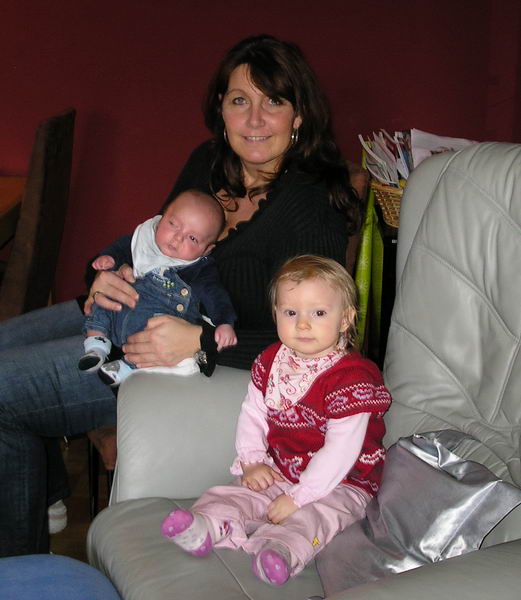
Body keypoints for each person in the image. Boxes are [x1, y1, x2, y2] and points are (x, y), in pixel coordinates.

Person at [0, 34, 364, 557]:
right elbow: (155, 241)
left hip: (188, 361)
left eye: (273, 101)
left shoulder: (311, 208)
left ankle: (19, 573)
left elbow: (317, 344)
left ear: (299, 115)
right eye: (239, 100)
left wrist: (200, 341)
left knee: (4, 389)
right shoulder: (208, 162)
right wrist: (105, 274)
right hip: (132, 310)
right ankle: (42, 491)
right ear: (221, 109)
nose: (254, 119)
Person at [161, 255, 392, 585]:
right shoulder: (271, 362)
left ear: (345, 320)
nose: (302, 324)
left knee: (318, 517)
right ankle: (208, 525)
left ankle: (282, 551)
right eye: (291, 313)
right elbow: (253, 414)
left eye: (319, 313)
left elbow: (340, 451)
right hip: (282, 468)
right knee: (235, 494)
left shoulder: (352, 379)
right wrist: (253, 461)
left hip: (343, 482)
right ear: (276, 314)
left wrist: (299, 498)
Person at [79, 189, 237, 386]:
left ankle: (127, 366)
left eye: (192, 238)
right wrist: (109, 259)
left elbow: (216, 296)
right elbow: (121, 248)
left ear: (207, 250)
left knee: (154, 334)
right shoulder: (145, 239)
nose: (177, 238)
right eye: (173, 224)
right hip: (119, 310)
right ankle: (96, 343)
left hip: (152, 332)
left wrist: (224, 322)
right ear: (162, 218)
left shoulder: (200, 271)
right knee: (103, 302)